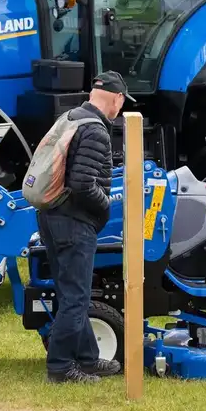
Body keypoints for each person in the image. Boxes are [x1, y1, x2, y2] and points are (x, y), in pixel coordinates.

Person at [40, 70, 133, 384]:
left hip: (51, 216)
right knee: (77, 298)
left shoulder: (71, 117)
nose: (120, 109)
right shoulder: (96, 130)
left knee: (70, 294)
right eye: (122, 102)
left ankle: (88, 359)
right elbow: (82, 185)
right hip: (74, 221)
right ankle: (61, 368)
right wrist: (106, 208)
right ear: (117, 98)